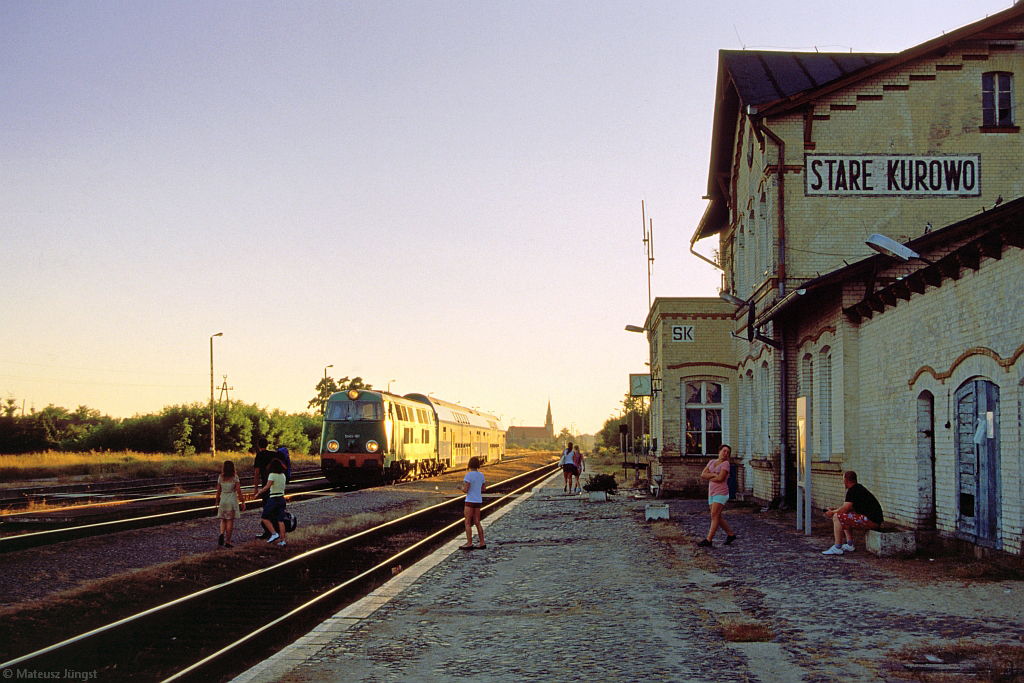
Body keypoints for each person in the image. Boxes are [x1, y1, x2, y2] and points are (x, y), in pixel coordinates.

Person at [822, 471, 883, 555]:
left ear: (846, 480)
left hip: (871, 521)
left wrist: (832, 512)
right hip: (874, 520)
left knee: (837, 517)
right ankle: (849, 544)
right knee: (845, 516)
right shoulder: (858, 488)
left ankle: (837, 547)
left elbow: (844, 509)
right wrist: (834, 509)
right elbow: (848, 509)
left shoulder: (852, 491)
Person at [698, 444, 736, 547]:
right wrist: (714, 475)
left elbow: (721, 479)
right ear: (719, 451)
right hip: (712, 492)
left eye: (728, 452)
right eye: (724, 451)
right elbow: (703, 474)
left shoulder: (726, 464)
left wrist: (710, 477)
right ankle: (731, 534)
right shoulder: (712, 462)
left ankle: (708, 540)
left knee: (714, 516)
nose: (725, 454)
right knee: (717, 516)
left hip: (721, 493)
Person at [254, 458, 289, 546]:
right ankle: (283, 541)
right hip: (282, 498)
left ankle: (274, 534)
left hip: (273, 499)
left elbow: (267, 486)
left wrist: (258, 493)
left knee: (265, 517)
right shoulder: (283, 475)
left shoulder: (272, 475)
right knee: (280, 520)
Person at [457, 456, 486, 549]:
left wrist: (460, 487)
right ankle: (482, 542)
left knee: (468, 522)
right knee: (477, 522)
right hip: (478, 501)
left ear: (470, 465)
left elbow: (466, 490)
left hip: (469, 501)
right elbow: (484, 489)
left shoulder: (468, 475)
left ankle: (469, 543)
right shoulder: (481, 475)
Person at [216, 460, 244, 548]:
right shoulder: (235, 477)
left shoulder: (221, 477)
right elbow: (239, 491)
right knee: (230, 520)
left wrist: (217, 502)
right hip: (232, 500)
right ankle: (227, 541)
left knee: (223, 519)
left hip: (223, 500)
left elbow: (218, 491)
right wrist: (242, 501)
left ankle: (221, 533)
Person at [252, 438, 276, 539]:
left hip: (265, 485)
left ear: (258, 445)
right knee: (274, 507)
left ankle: (269, 531)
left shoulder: (259, 456)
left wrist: (256, 488)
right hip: (275, 484)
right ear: (267, 444)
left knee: (266, 507)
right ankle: (274, 529)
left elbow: (257, 473)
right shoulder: (273, 454)